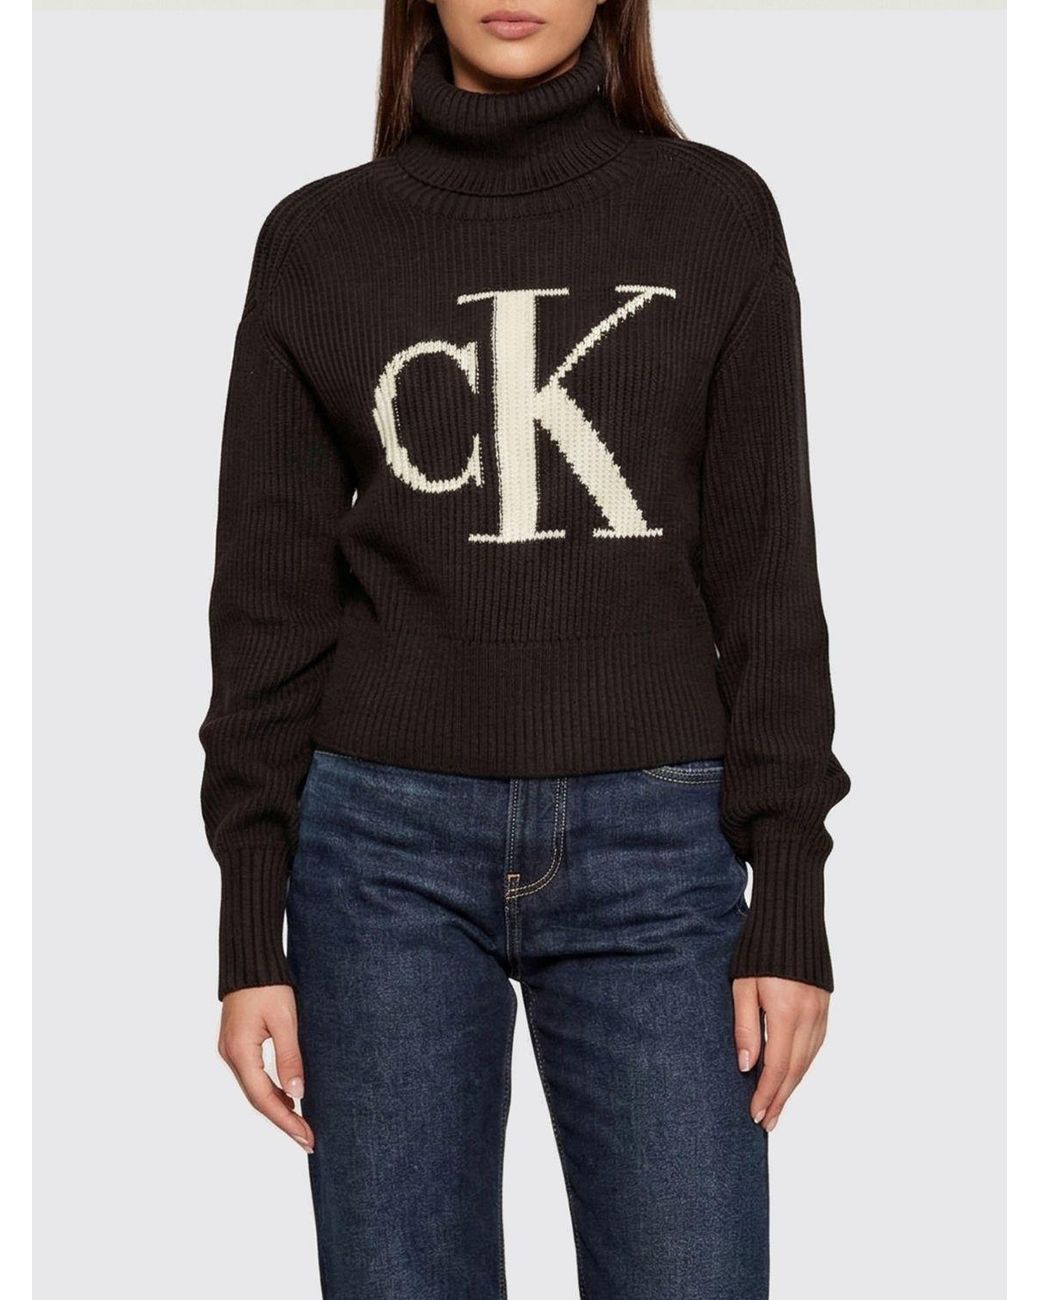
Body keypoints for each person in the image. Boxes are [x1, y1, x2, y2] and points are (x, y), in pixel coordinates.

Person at [198, 1, 852, 1295]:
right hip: (377, 858)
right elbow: (267, 607)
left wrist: (791, 895)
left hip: (659, 849)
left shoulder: (715, 216)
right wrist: (247, 928)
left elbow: (769, 582)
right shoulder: (319, 242)